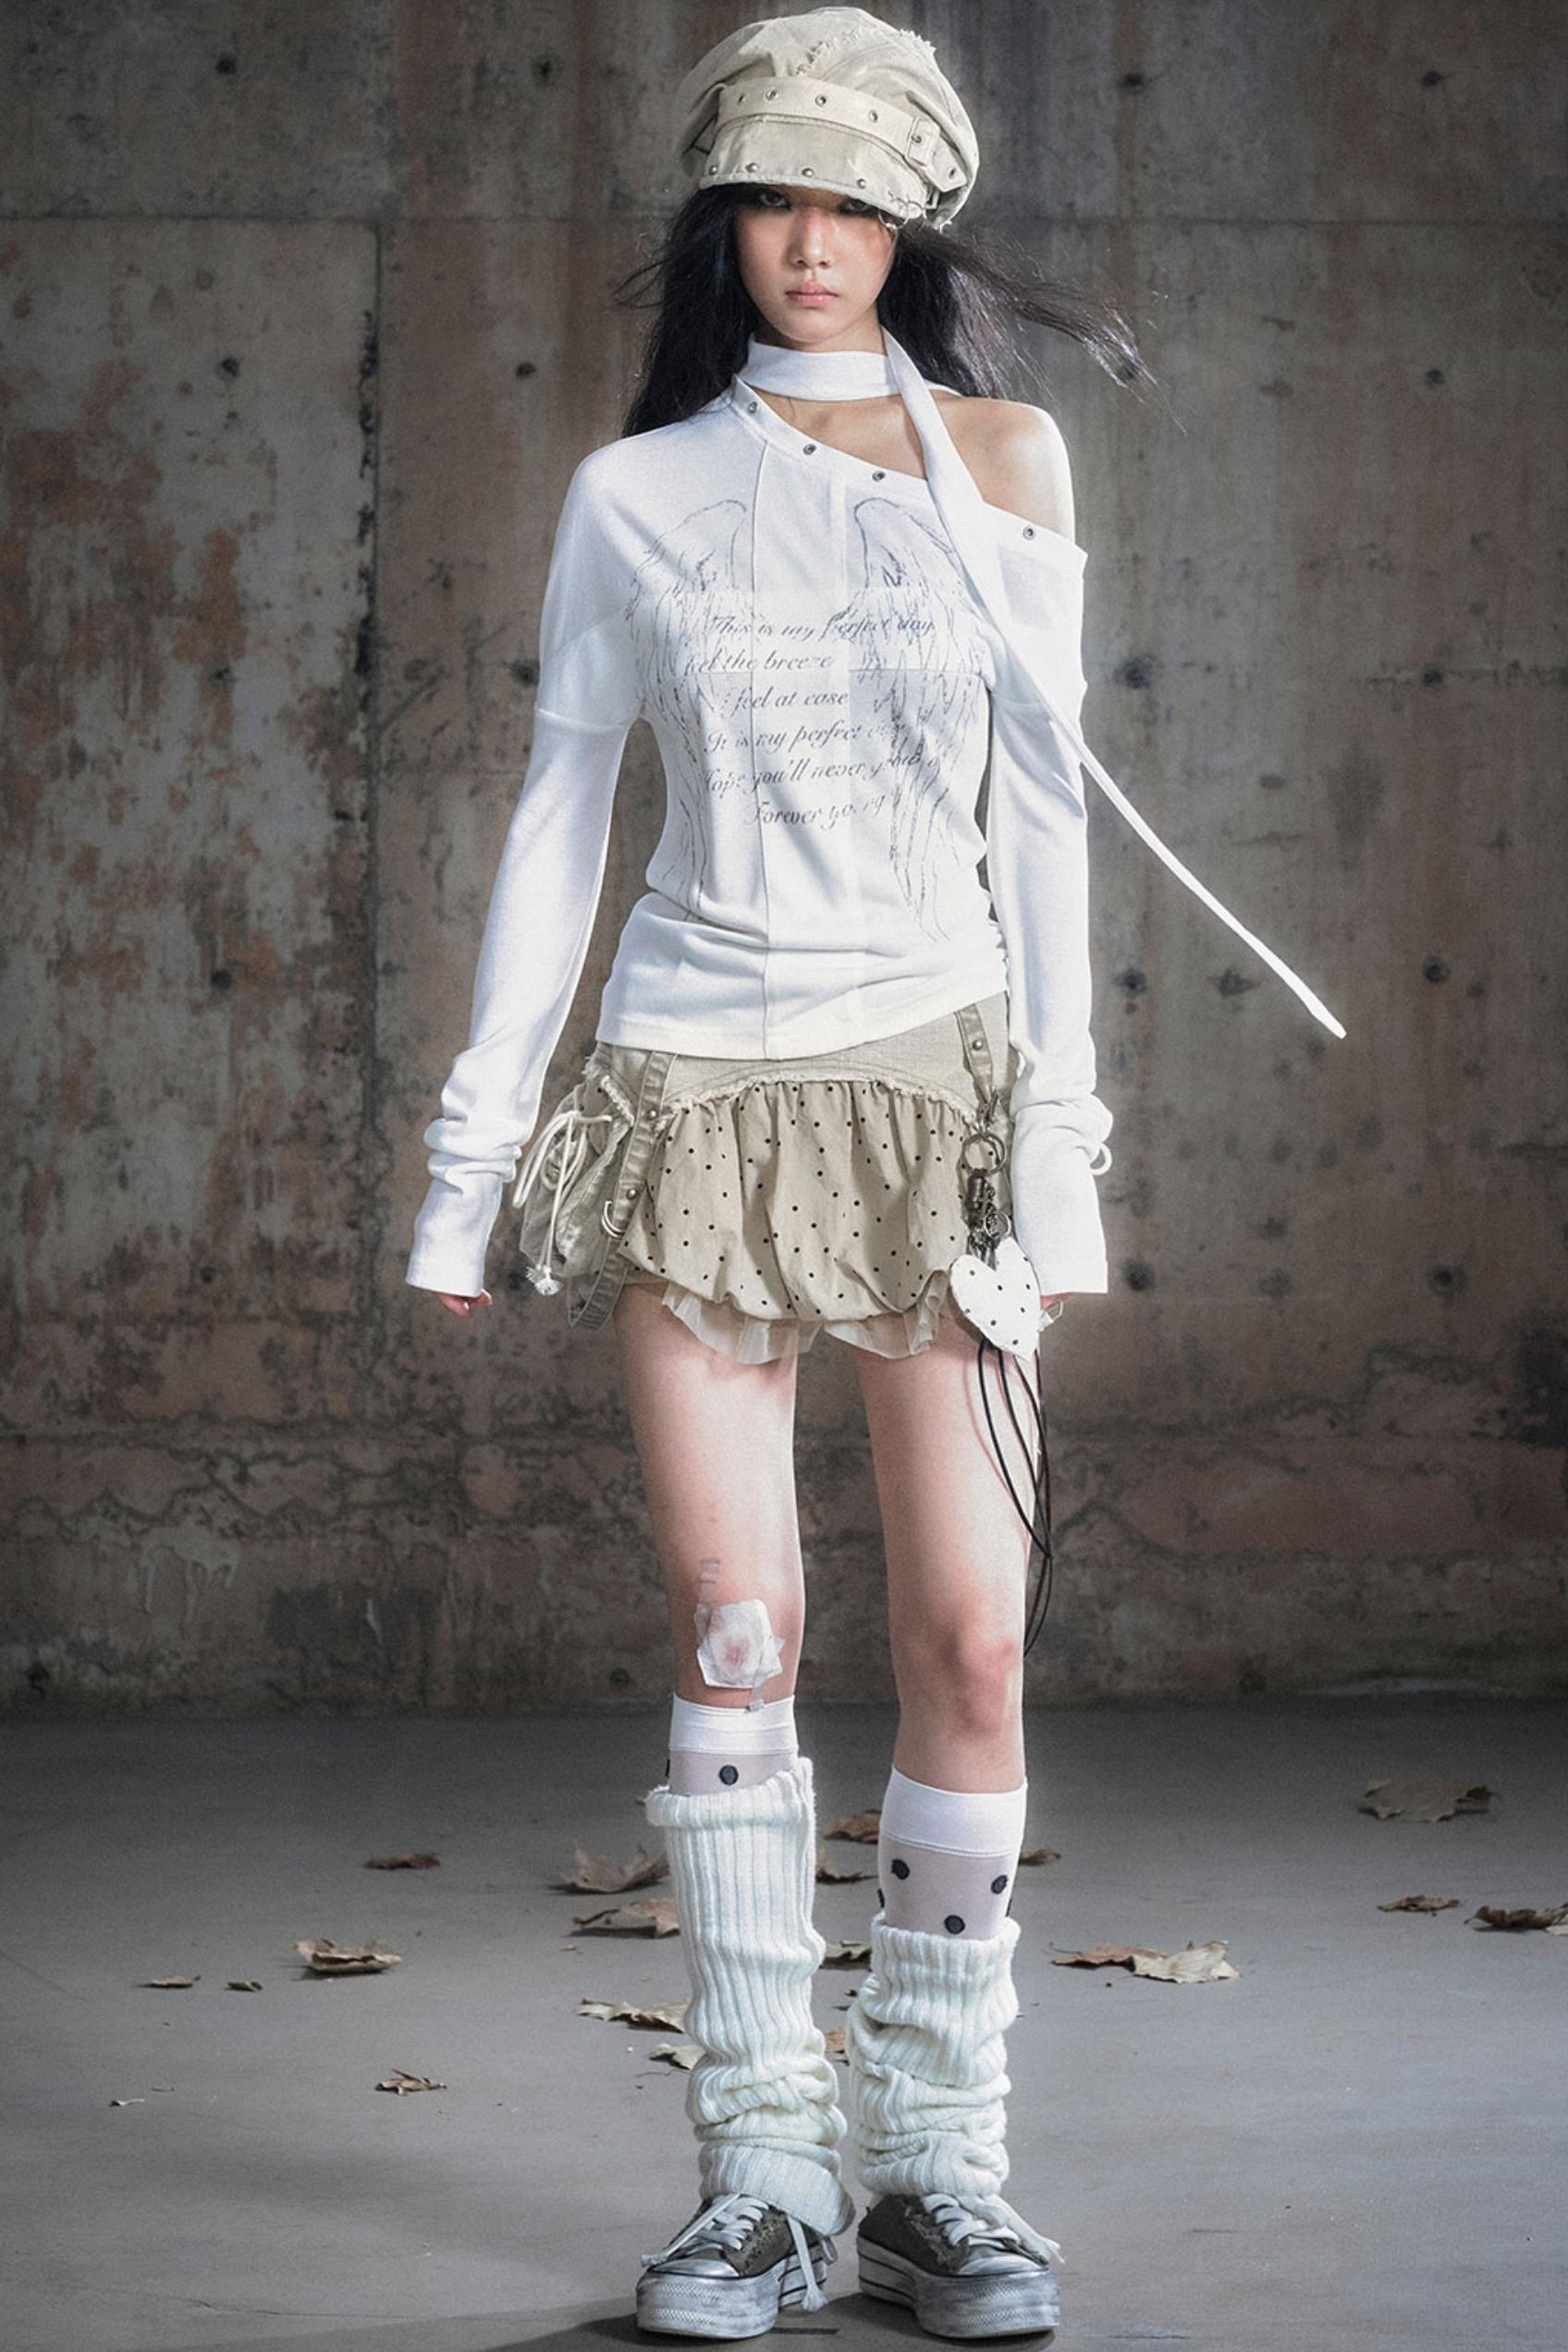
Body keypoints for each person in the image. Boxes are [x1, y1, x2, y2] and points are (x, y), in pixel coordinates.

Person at [404, 10, 1344, 2337]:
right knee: (738, 1637)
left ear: (907, 225)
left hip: (938, 1095)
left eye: (851, 203)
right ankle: (758, 2172)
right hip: (692, 1091)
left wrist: (1062, 1159)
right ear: (720, 223)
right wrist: (466, 1169)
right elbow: (557, 824)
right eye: (770, 199)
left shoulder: (1002, 459)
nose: (809, 243)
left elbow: (1043, 827)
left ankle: (935, 2167)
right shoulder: (633, 497)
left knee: (972, 1643)